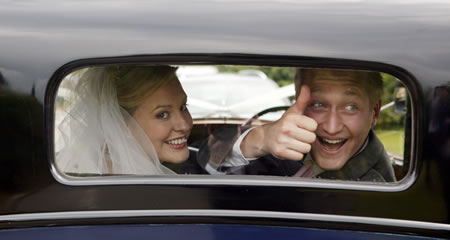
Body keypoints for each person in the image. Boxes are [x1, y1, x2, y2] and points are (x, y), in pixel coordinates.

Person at [206, 68, 396, 182]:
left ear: (375, 112)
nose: (331, 128)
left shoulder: (373, 188)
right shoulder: (288, 142)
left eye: (350, 107)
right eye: (319, 104)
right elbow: (207, 162)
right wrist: (260, 138)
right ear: (298, 101)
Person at [56, 65, 192, 175]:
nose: (184, 125)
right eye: (163, 115)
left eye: (183, 107)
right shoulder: (128, 185)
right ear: (122, 122)